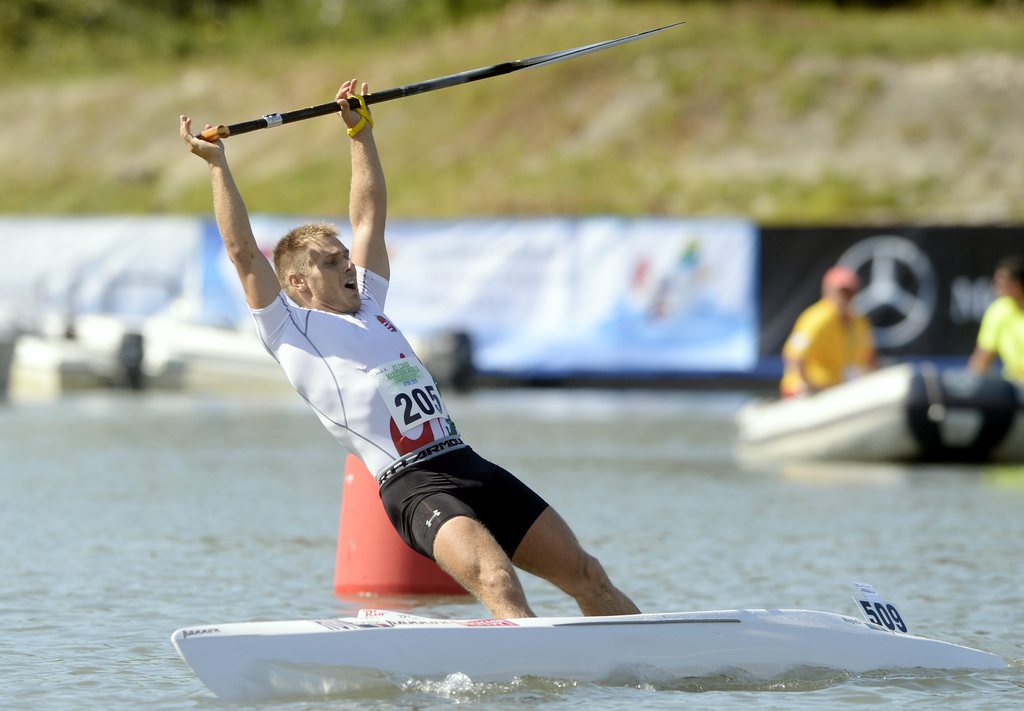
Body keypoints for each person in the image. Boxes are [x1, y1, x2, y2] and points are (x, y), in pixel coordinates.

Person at [179, 79, 639, 621]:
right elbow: (239, 252)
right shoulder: (289, 328)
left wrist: (359, 133)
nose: (348, 266)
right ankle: (536, 689)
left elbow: (369, 217)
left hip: (469, 462)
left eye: (344, 257)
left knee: (588, 576)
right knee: (498, 580)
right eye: (330, 263)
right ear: (298, 284)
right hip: (413, 485)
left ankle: (646, 673)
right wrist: (217, 166)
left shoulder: (370, 302)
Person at [779, 265, 879, 397]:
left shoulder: (860, 321)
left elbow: (870, 358)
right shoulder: (815, 319)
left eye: (851, 291)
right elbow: (794, 355)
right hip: (808, 392)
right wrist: (808, 385)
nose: (847, 296)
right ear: (828, 290)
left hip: (839, 391)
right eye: (842, 291)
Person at [967, 255, 1024, 385]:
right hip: (1014, 388)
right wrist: (970, 389)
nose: (996, 286)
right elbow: (981, 360)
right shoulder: (998, 311)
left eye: (1003, 282)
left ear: (1019, 284)